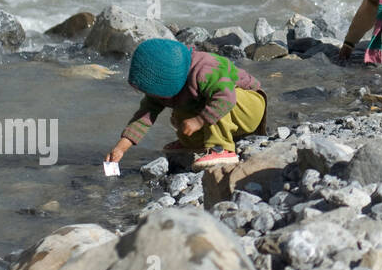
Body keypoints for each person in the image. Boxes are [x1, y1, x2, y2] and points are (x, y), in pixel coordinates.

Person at [105, 39, 267, 171]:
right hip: (229, 115)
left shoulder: (204, 69)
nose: (154, 97)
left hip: (249, 109)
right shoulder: (163, 86)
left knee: (215, 99)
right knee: (181, 113)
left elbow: (226, 98)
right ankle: (194, 143)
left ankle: (221, 148)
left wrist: (198, 121)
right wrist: (121, 147)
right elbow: (145, 115)